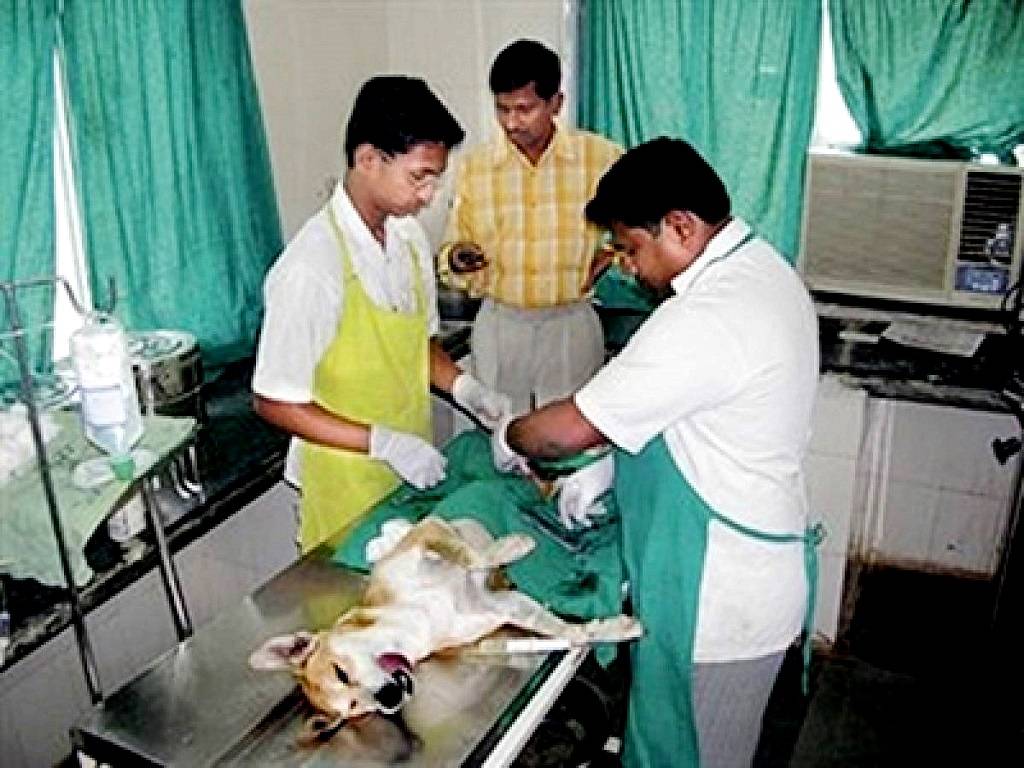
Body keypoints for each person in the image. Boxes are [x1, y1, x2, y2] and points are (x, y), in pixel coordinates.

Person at [492, 137, 821, 767]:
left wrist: (508, 435)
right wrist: (615, 465)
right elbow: (701, 418)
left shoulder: (708, 314)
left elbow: (566, 430)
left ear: (681, 226)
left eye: (633, 249)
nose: (630, 268)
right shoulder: (763, 270)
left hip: (719, 606)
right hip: (740, 572)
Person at [253, 76, 510, 554]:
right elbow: (274, 400)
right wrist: (383, 444)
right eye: (420, 176)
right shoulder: (312, 266)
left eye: (436, 177)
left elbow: (416, 347)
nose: (430, 195)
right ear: (368, 159)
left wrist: (466, 389)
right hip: (346, 487)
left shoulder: (408, 239)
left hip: (410, 476)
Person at [438, 38, 623, 413]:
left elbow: (641, 230)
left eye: (524, 109)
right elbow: (451, 252)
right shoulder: (477, 167)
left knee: (572, 438)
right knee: (502, 433)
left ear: (556, 103)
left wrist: (613, 254)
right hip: (501, 323)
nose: (511, 123)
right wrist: (458, 258)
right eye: (502, 109)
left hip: (571, 321)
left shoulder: (601, 159)